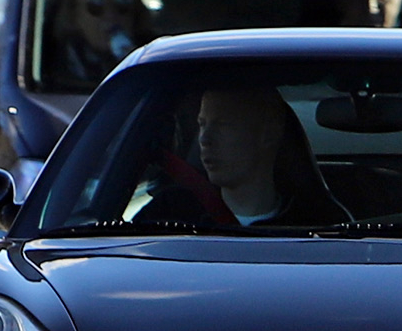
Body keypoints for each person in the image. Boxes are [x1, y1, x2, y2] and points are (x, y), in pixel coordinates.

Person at [141, 87, 348, 227]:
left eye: (223, 125)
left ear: (268, 134)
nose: (204, 139)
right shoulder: (168, 215)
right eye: (202, 124)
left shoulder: (320, 225)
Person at [50, 0, 149, 86]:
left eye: (122, 4)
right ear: (75, 15)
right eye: (96, 6)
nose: (110, 16)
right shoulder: (52, 64)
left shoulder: (152, 57)